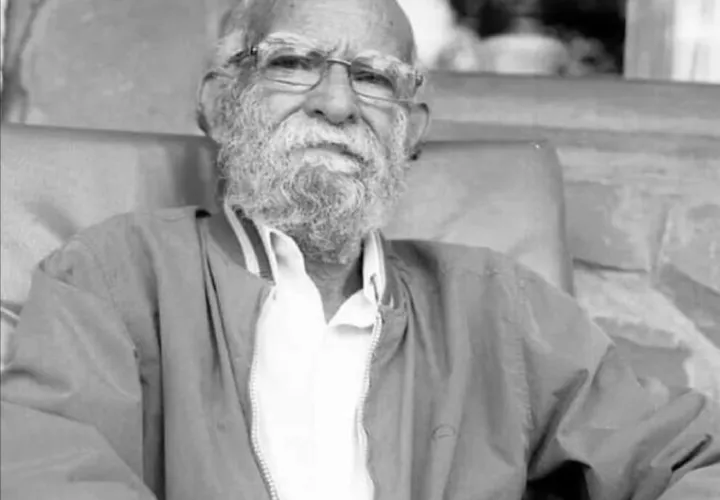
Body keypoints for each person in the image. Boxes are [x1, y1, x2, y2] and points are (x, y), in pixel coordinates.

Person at [1, 0, 719, 499]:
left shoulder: (498, 304)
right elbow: (49, 476)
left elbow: (690, 458)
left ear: (410, 131)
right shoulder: (111, 276)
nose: (337, 103)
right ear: (221, 104)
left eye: (374, 78)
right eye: (293, 63)